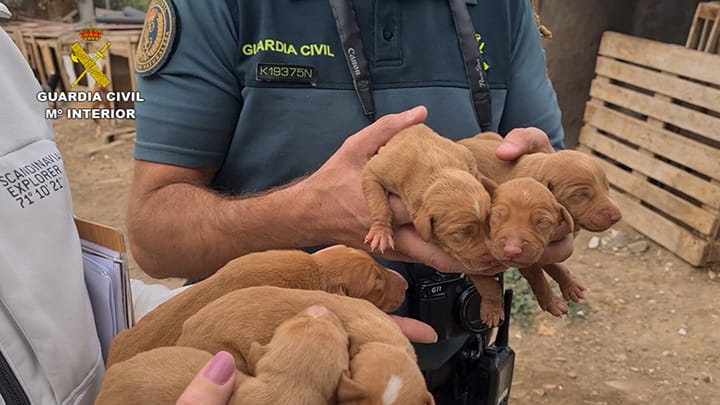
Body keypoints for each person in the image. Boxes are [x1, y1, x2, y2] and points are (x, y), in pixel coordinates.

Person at [128, 0, 573, 402]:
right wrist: (310, 213)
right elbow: (153, 235)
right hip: (264, 381)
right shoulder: (217, 7)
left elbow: (546, 184)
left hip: (449, 373)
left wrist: (539, 196)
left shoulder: (507, 8)